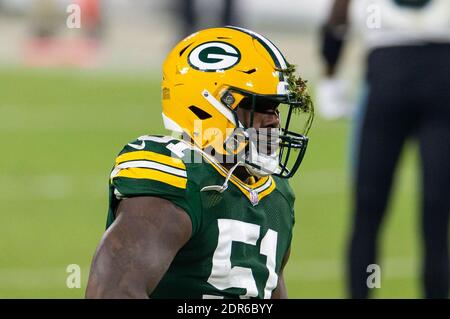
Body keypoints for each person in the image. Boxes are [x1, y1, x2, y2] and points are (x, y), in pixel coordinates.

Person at [86, 26, 314, 299]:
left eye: (276, 108)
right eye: (260, 105)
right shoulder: (176, 176)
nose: (274, 121)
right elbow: (113, 291)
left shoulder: (276, 195)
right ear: (208, 105)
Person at [320, 0, 450, 298]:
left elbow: (339, 14)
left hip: (389, 72)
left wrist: (330, 69)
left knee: (369, 209)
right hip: (439, 73)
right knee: (435, 214)